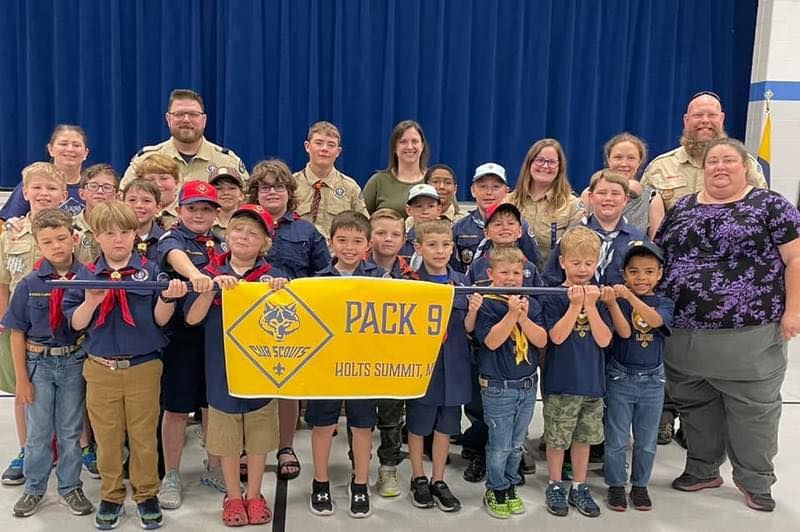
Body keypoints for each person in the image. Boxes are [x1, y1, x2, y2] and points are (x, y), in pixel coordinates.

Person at [655, 138, 800, 512]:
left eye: (729, 161)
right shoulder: (683, 206)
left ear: (746, 166)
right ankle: (703, 469)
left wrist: (794, 311)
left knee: (753, 410)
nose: (719, 167)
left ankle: (755, 480)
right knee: (695, 405)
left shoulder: (770, 205)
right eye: (713, 161)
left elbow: (795, 259)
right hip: (682, 330)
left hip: (749, 333)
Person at [63, 200, 188, 530]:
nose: (117, 240)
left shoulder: (150, 273)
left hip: (143, 368)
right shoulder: (85, 276)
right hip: (100, 367)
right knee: (107, 437)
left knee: (144, 435)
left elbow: (160, 322)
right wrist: (91, 302)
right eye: (109, 233)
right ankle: (112, 493)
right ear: (97, 237)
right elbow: (76, 324)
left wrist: (167, 298)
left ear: (136, 234)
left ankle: (146, 492)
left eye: (124, 232)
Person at [185, 204, 288, 526]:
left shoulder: (273, 278)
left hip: (261, 372)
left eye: (254, 233)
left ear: (265, 243)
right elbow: (192, 318)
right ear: (227, 235)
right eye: (239, 230)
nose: (245, 236)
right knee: (227, 440)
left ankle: (255, 494)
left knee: (258, 440)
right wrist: (210, 290)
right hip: (221, 371)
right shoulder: (210, 274)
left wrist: (280, 293)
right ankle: (232, 496)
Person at [2, 208, 92, 518]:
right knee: (39, 432)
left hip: (73, 362)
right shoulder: (29, 283)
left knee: (69, 430)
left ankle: (70, 486)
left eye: (61, 238)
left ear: (74, 238)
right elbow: (16, 333)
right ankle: (34, 487)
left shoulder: (88, 278)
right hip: (38, 364)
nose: (56, 246)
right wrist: (22, 379)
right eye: (47, 241)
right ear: (38, 246)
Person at [249, 159, 330, 481]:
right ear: (254, 192)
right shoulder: (240, 225)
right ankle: (250, 446)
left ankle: (285, 446)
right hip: (248, 321)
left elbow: (324, 274)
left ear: (289, 192)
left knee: (287, 386)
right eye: (264, 187)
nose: (271, 192)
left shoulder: (306, 231)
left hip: (293, 322)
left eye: (278, 186)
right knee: (250, 384)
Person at [306, 211, 386, 519]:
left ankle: (361, 483)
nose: (349, 247)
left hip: (364, 366)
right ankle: (320, 482)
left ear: (367, 244)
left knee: (362, 425)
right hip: (326, 366)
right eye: (342, 240)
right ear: (330, 243)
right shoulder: (317, 281)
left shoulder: (381, 279)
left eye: (357, 241)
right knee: (323, 425)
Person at [156, 180, 227, 507]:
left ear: (216, 212)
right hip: (180, 338)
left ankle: (214, 465)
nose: (199, 214)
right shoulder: (171, 237)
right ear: (179, 210)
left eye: (206, 208)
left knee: (211, 404)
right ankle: (171, 474)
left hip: (214, 336)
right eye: (192, 208)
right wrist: (198, 275)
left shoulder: (221, 242)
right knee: (176, 408)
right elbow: (176, 258)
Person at [0, 162, 67, 486]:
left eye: (51, 188)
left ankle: (70, 449)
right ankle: (29, 449)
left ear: (64, 194)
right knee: (23, 393)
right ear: (24, 192)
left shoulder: (75, 234)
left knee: (68, 395)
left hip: (65, 327)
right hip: (21, 329)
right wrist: (4, 318)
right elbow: (2, 281)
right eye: (36, 188)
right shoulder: (10, 232)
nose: (43, 194)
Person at [540, 226, 612, 519]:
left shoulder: (600, 296)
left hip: (592, 384)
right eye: (575, 263)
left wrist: (591, 306)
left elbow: (605, 339)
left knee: (584, 438)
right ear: (562, 262)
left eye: (588, 263)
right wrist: (574, 306)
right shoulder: (553, 295)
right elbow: (555, 337)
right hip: (561, 383)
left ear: (596, 263)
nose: (582, 270)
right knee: (558, 439)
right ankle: (555, 483)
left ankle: (579, 485)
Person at [473, 246, 547, 519]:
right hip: (497, 386)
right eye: (504, 272)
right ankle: (495, 487)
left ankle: (510, 484)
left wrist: (523, 316)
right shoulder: (487, 302)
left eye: (517, 273)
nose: (511, 278)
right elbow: (491, 341)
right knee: (500, 443)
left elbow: (541, 341)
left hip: (527, 385)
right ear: (491, 274)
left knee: (517, 443)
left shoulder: (531, 302)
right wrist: (512, 315)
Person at [405, 219, 471, 513]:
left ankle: (439, 479)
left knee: (446, 427)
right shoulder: (410, 283)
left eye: (445, 245)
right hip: (424, 368)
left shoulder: (462, 282)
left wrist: (476, 309)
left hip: (455, 366)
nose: (440, 251)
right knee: (419, 425)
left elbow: (469, 328)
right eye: (431, 245)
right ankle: (418, 477)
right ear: (418, 248)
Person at [603, 241, 674, 512]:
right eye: (633, 272)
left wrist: (631, 298)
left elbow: (656, 322)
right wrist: (614, 304)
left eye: (648, 271)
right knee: (617, 438)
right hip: (621, 377)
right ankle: (616, 485)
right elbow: (623, 332)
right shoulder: (617, 300)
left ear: (659, 274)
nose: (641, 278)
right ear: (624, 275)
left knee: (646, 441)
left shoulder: (663, 302)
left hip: (653, 381)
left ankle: (641, 485)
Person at [365, 209, 418, 498]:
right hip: (359, 356)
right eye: (381, 233)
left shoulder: (411, 275)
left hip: (393, 359)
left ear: (404, 239)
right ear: (369, 237)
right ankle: (358, 467)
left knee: (391, 416)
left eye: (395, 234)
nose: (388, 239)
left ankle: (388, 468)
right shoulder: (352, 270)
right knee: (361, 417)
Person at [641, 91, 767, 212]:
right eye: (698, 115)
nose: (705, 120)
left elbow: (763, 209)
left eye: (712, 115)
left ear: (721, 119)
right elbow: (642, 217)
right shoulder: (660, 167)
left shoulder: (746, 165)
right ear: (686, 120)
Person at [121, 89, 248, 187]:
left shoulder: (227, 162)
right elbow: (124, 201)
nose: (186, 120)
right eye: (179, 114)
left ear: (204, 120)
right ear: (168, 118)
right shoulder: (144, 161)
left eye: (193, 114)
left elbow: (247, 200)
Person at [543, 169, 645, 287]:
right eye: (602, 193)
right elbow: (550, 280)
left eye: (615, 194)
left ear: (625, 200)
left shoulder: (638, 240)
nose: (608, 198)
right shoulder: (571, 237)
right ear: (591, 197)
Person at [507, 138, 583, 269]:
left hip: (555, 283)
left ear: (560, 168)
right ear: (529, 163)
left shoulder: (573, 206)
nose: (545, 166)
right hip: (513, 279)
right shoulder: (508, 202)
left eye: (552, 162)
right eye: (540, 160)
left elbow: (575, 251)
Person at [452, 163, 541, 273]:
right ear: (473, 191)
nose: (489, 193)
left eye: (496, 187)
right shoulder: (460, 227)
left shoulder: (519, 225)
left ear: (506, 191)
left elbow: (534, 266)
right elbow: (453, 270)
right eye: (482, 186)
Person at [580, 133, 665, 239]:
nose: (624, 164)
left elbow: (655, 243)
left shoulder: (652, 198)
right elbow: (578, 235)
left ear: (640, 161)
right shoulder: (589, 194)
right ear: (609, 160)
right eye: (618, 157)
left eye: (631, 158)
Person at [293, 121, 368, 239]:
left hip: (336, 254)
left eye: (331, 145)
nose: (324, 149)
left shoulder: (350, 188)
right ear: (307, 146)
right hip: (299, 252)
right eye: (319, 143)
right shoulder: (291, 185)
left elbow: (364, 226)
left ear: (338, 152)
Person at [0, 125, 89, 220]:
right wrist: (10, 224)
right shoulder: (33, 184)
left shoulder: (93, 187)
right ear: (50, 149)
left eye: (76, 145)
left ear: (85, 153)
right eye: (63, 144)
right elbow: (5, 220)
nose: (70, 149)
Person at [363, 120, 429, 216]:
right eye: (403, 142)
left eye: (414, 141)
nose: (410, 147)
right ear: (394, 147)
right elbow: (361, 219)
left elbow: (455, 215)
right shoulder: (378, 181)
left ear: (422, 146)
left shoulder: (435, 179)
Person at [73, 164, 121, 265]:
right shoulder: (68, 227)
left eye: (107, 187)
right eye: (93, 186)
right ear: (82, 194)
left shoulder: (124, 227)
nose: (100, 191)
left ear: (117, 196)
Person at [133, 153, 182, 229]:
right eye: (150, 179)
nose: (158, 184)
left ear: (176, 182)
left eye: (164, 178)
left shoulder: (187, 211)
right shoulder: (132, 213)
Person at [123, 179, 164, 262]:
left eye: (146, 201)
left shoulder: (166, 240)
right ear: (122, 204)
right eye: (132, 200)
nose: (139, 205)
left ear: (158, 207)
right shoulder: (113, 239)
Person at [401, 183, 442, 263]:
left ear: (439, 209)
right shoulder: (401, 242)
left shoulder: (448, 239)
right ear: (409, 210)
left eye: (430, 206)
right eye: (419, 206)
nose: (425, 211)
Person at [209, 166, 245, 240]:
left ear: (241, 195)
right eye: (219, 189)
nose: (226, 192)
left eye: (232, 188)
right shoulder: (202, 223)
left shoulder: (251, 222)